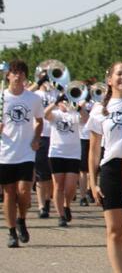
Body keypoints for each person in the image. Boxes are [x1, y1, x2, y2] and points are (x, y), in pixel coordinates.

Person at [88, 61, 122, 272]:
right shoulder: (99, 110)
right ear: (109, 80)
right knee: (115, 230)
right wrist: (92, 183)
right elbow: (93, 150)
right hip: (111, 170)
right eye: (119, 74)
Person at [0, 60, 43, 248]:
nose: (18, 76)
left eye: (21, 73)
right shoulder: (1, 98)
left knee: (24, 191)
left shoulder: (33, 99)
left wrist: (36, 138)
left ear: (25, 77)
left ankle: (21, 219)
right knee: (9, 193)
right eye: (14, 72)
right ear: (8, 75)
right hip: (5, 152)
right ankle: (11, 232)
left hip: (26, 151)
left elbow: (39, 121)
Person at [43, 96, 83, 227]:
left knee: (70, 187)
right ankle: (60, 215)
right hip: (56, 152)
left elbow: (86, 119)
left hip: (73, 153)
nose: (64, 104)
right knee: (58, 185)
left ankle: (67, 205)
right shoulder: (55, 114)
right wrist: (55, 102)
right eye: (63, 102)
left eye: (66, 101)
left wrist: (77, 106)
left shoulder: (75, 114)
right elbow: (44, 114)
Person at [33, 80, 55, 219]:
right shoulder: (35, 94)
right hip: (40, 135)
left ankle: (47, 200)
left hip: (56, 137)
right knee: (41, 173)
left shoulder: (57, 94)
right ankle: (41, 206)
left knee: (52, 173)